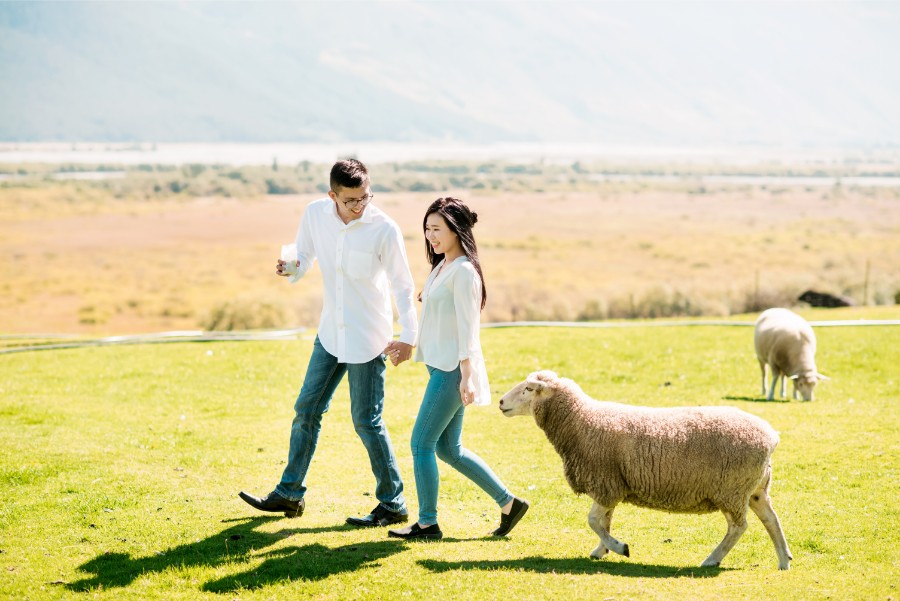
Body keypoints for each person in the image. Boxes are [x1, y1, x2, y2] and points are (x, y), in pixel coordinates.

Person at [239, 159, 416, 528]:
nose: (360, 206)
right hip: (331, 334)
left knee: (366, 421)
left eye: (365, 197)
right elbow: (304, 258)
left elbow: (402, 284)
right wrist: (291, 268)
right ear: (331, 195)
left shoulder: (384, 228)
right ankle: (289, 494)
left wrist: (408, 337)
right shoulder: (315, 214)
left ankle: (393, 503)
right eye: (351, 200)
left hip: (369, 338)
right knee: (306, 408)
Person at [387, 197, 529, 541]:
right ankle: (509, 504)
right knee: (448, 449)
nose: (430, 235)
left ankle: (427, 523)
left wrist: (467, 375)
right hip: (439, 367)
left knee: (421, 443)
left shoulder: (464, 272)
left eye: (437, 229)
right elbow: (439, 320)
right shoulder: (442, 267)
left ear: (456, 230)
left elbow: (468, 329)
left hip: (452, 370)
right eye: (427, 229)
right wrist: (408, 345)